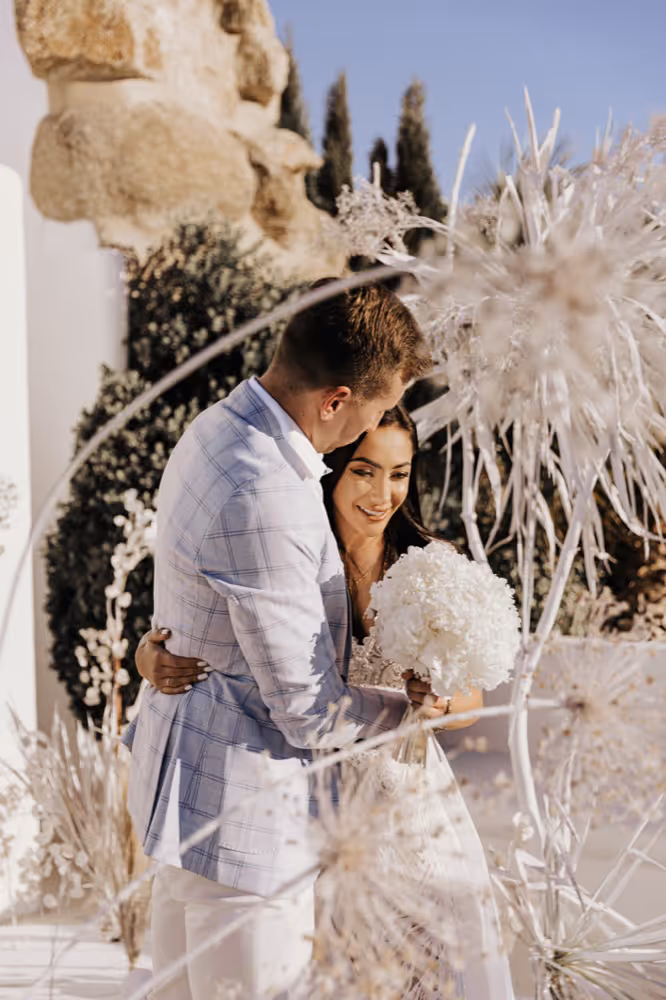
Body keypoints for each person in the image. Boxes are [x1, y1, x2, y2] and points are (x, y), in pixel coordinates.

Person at [122, 280, 437, 1000]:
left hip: (185, 802)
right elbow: (307, 710)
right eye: (376, 409)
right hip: (244, 831)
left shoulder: (214, 427)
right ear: (334, 400)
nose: (373, 426)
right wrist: (409, 709)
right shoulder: (268, 492)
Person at [137, 405, 516, 999]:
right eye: (364, 471)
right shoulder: (292, 550)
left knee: (426, 966)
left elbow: (471, 697)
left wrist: (439, 702)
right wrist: (147, 657)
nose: (383, 493)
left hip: (406, 803)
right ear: (334, 467)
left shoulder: (430, 562)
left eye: (399, 473)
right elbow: (220, 632)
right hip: (308, 796)